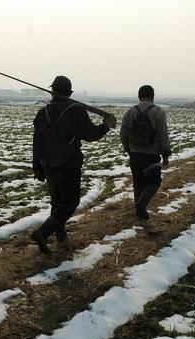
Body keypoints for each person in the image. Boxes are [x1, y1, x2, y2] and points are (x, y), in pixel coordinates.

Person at [31, 75, 117, 254]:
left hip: (48, 164)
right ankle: (43, 232)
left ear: (53, 91)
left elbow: (37, 142)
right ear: (69, 93)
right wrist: (106, 126)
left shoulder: (42, 112)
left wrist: (37, 166)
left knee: (58, 203)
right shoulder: (75, 110)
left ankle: (61, 237)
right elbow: (90, 134)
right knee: (70, 203)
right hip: (68, 164)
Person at [120, 85, 171, 221]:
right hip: (151, 155)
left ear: (139, 96)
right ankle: (141, 204)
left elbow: (123, 132)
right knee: (154, 181)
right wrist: (165, 155)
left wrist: (127, 148)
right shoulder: (158, 112)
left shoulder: (130, 111)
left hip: (135, 154)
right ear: (152, 96)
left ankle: (139, 211)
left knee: (138, 182)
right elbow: (163, 136)